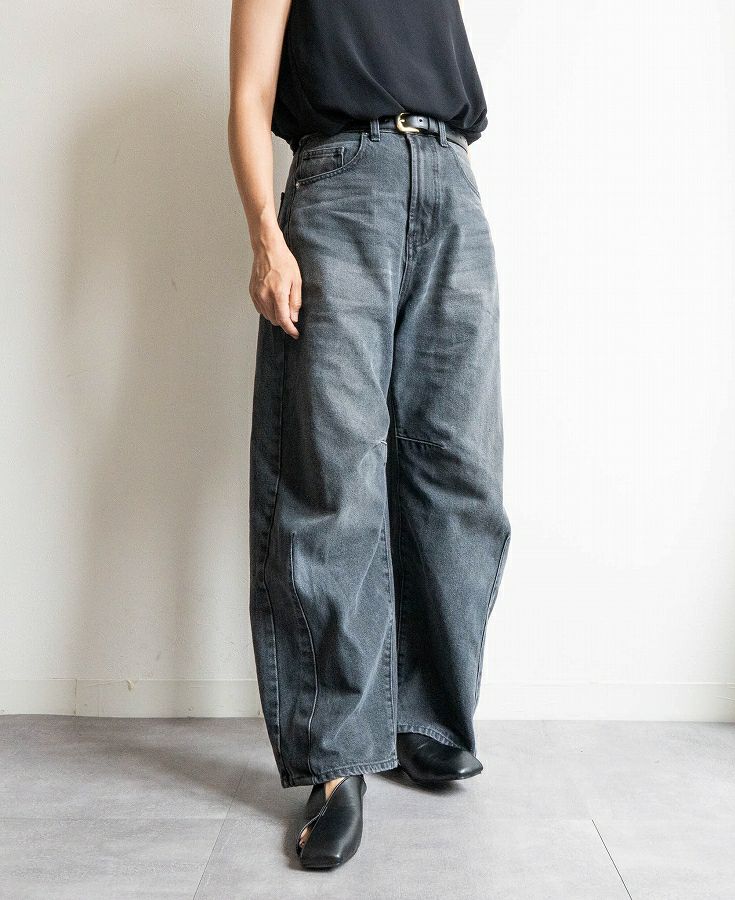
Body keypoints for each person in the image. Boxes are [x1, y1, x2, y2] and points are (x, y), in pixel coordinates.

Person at [228, 0, 511, 870]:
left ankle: (424, 719)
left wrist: (449, 182)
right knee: (333, 476)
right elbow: (250, 94)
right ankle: (337, 760)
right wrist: (265, 234)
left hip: (451, 180)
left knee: (459, 473)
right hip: (341, 182)